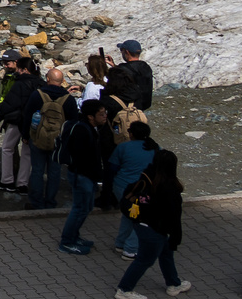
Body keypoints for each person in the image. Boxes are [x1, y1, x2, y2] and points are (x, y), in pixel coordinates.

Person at [116, 149, 189, 299]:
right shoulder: (169, 189)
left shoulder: (145, 178)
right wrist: (176, 238)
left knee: (165, 253)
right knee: (145, 260)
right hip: (156, 230)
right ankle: (124, 289)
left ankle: (173, 283)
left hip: (140, 224)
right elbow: (174, 218)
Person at [57, 99, 112, 254]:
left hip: (87, 176)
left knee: (85, 208)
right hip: (82, 177)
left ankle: (74, 236)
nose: (104, 116)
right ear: (90, 116)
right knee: (79, 209)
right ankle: (67, 242)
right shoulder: (82, 130)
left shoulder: (91, 128)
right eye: (101, 114)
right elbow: (82, 158)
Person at [107, 121, 159, 258]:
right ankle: (130, 250)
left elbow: (112, 168)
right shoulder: (155, 147)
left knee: (129, 215)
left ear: (131, 134)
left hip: (122, 188)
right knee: (140, 218)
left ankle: (121, 243)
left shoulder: (122, 147)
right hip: (142, 189)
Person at [25, 66, 75, 209]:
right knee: (54, 172)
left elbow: (27, 115)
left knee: (37, 171)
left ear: (47, 79)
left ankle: (36, 202)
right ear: (62, 81)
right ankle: (51, 201)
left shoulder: (37, 95)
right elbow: (73, 121)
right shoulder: (68, 99)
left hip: (38, 137)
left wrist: (25, 135)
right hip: (58, 141)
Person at [0, 54, 38, 192]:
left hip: (17, 121)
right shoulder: (40, 83)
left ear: (23, 69)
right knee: (27, 152)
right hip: (33, 123)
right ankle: (23, 183)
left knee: (7, 148)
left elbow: (9, 103)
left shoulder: (20, 83)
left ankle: (7, 180)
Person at [104, 40, 153, 135]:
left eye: (122, 50)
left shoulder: (123, 70)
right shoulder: (145, 67)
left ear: (126, 52)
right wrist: (115, 67)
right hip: (140, 111)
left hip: (124, 113)